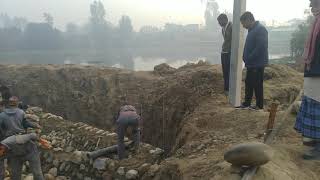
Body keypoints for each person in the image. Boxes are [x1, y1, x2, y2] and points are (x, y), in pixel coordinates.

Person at [294, 0, 320, 160]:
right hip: (314, 72)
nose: (311, 7)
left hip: (318, 73)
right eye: (311, 4)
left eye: (315, 3)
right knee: (313, 105)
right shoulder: (316, 22)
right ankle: (315, 142)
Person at [0, 96, 44, 180]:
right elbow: (25, 124)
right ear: (17, 104)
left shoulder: (2, 115)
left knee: (15, 176)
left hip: (13, 148)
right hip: (26, 145)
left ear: (9, 104)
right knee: (37, 174)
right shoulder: (21, 112)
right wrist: (35, 125)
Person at [237, 12, 269, 110]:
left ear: (248, 20)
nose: (243, 26)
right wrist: (244, 56)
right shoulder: (252, 30)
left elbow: (260, 47)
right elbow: (250, 46)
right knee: (249, 83)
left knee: (257, 85)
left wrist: (249, 57)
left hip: (257, 63)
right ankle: (246, 103)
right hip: (251, 63)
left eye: (243, 23)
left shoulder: (260, 29)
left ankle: (259, 106)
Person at [217, 14, 233, 95]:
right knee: (225, 71)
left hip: (229, 53)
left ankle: (229, 89)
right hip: (224, 52)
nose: (219, 23)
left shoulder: (231, 27)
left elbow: (233, 41)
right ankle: (226, 88)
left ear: (225, 20)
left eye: (219, 21)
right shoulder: (223, 29)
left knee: (228, 71)